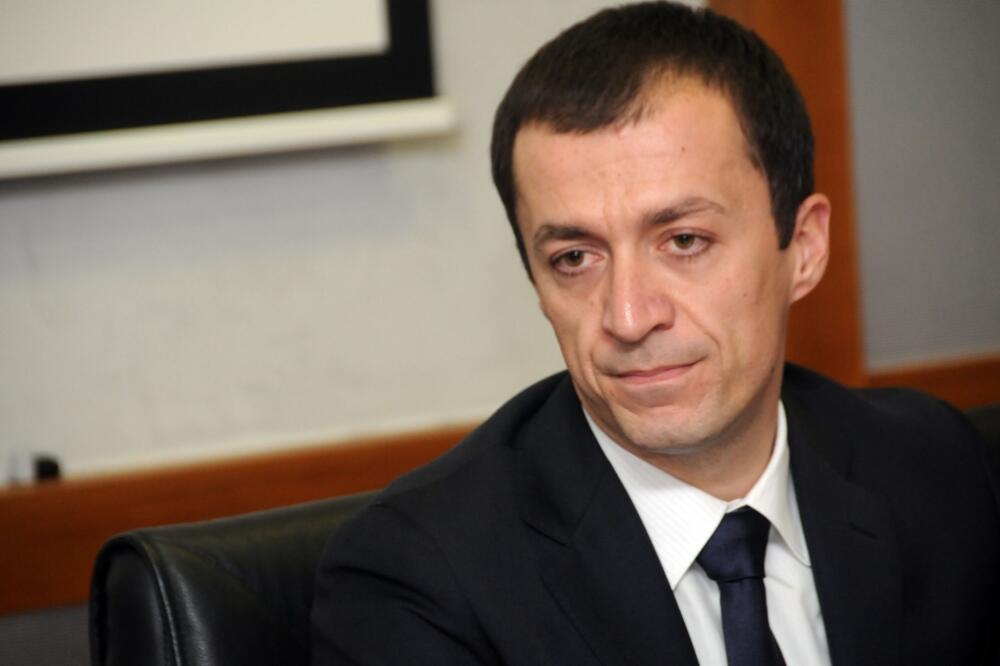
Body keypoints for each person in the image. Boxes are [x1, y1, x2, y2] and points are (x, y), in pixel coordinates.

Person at [311, 3, 1000, 664]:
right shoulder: (417, 581)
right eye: (574, 258)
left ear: (806, 247)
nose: (629, 317)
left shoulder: (936, 470)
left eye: (684, 240)